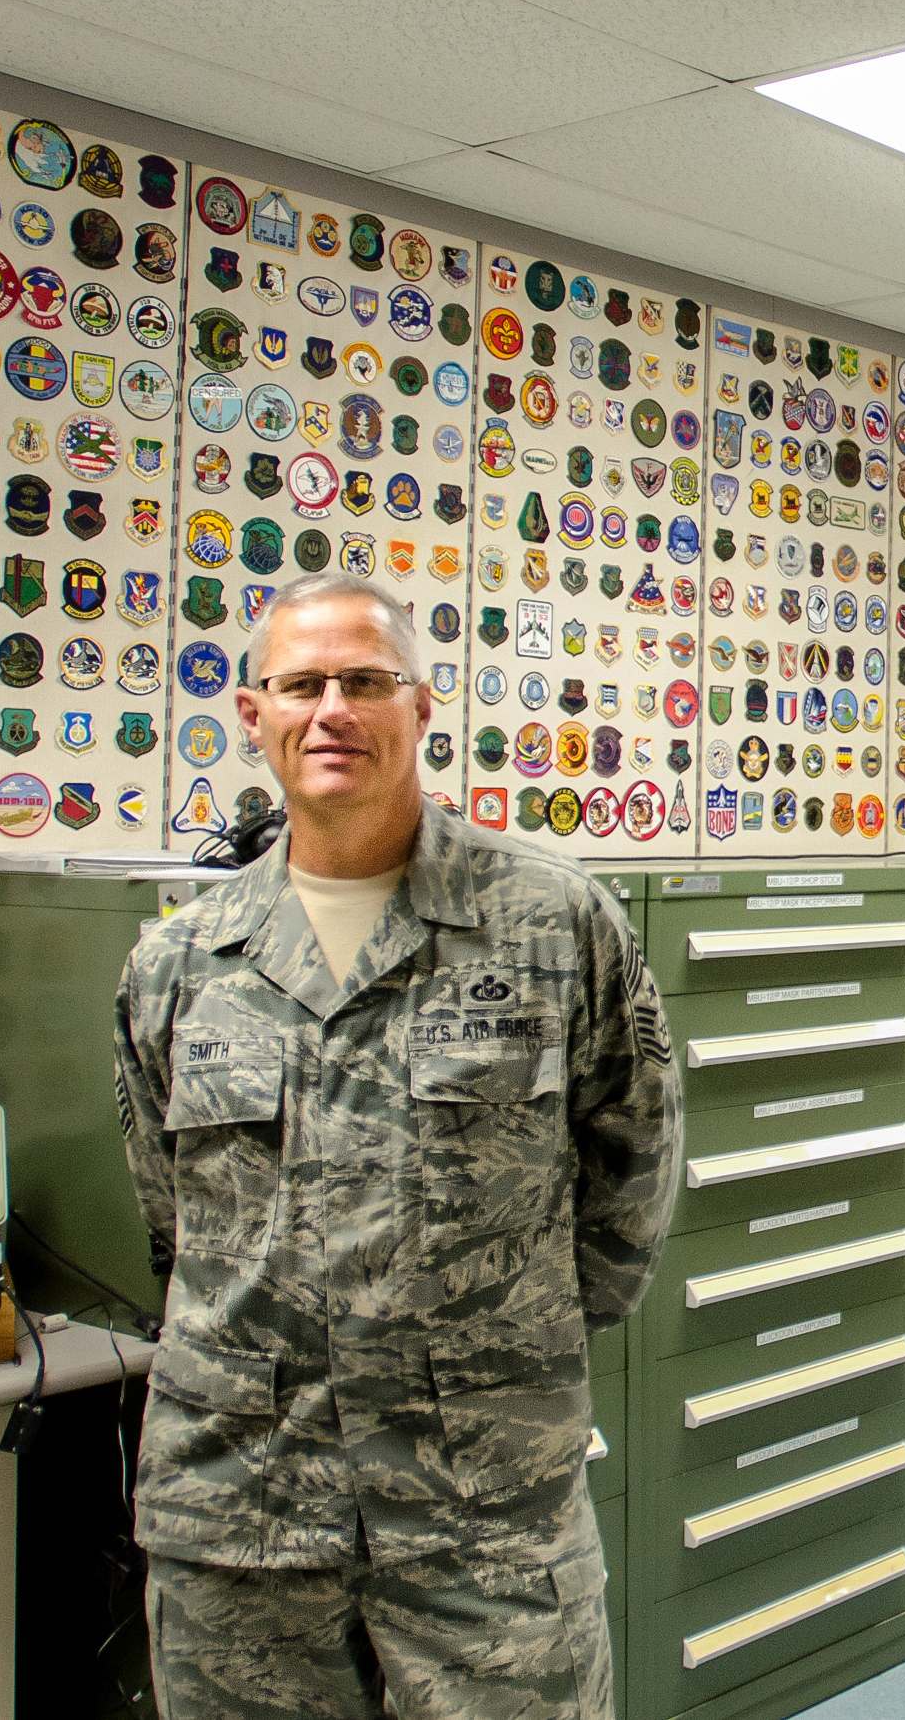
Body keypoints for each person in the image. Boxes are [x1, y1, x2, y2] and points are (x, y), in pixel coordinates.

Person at [115, 573, 681, 1718]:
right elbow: (175, 1226)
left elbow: (633, 1175)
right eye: (303, 683)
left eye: (366, 681)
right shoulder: (179, 964)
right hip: (243, 1514)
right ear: (255, 713)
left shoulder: (555, 921)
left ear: (421, 710)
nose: (333, 708)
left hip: (487, 1514)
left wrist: (493, 1356)